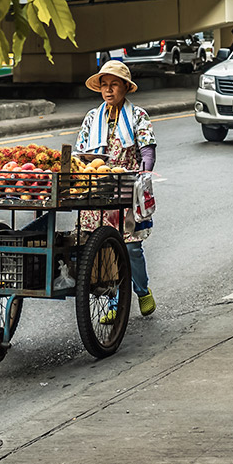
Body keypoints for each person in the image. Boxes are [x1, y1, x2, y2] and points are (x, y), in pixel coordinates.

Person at [75, 60, 158, 318]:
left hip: (125, 188)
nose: (108, 90)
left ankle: (142, 291)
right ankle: (114, 303)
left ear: (125, 88)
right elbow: (80, 151)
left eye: (114, 85)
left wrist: (144, 173)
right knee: (101, 249)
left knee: (131, 247)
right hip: (96, 189)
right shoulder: (92, 117)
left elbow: (147, 149)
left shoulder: (137, 116)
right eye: (104, 85)